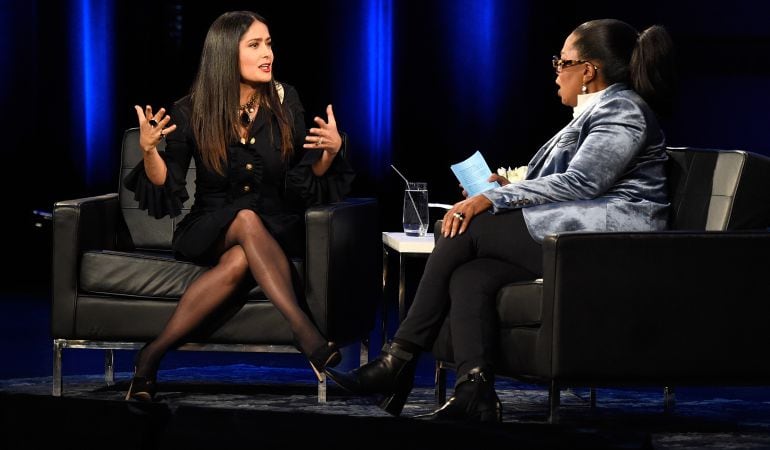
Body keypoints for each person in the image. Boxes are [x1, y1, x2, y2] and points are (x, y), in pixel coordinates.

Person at [326, 18, 676, 422]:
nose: (556, 72)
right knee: (472, 275)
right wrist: (500, 185)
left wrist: (493, 198)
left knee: (460, 227)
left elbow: (583, 182)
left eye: (562, 62)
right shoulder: (594, 112)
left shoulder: (624, 109)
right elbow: (564, 178)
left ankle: (399, 359)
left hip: (609, 240)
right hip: (576, 230)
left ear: (588, 71)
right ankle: (474, 388)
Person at [123, 10, 354, 401]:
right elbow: (169, 183)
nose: (268, 54)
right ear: (227, 54)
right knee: (244, 220)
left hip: (275, 225)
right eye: (255, 45)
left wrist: (329, 154)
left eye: (269, 43)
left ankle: (150, 357)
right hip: (209, 225)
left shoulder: (285, 99)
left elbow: (302, 178)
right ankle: (305, 333)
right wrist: (149, 151)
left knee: (241, 255)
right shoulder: (190, 109)